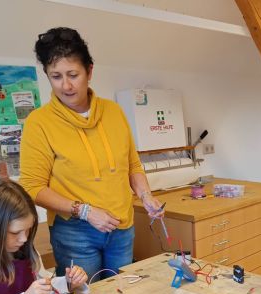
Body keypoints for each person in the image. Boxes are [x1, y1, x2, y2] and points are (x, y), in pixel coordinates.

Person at [20, 27, 163, 280]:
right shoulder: (39, 123)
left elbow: (132, 166)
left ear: (90, 71)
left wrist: (146, 195)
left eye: (73, 75)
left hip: (121, 226)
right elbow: (32, 188)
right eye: (56, 76)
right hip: (74, 232)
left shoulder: (114, 112)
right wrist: (85, 211)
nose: (65, 85)